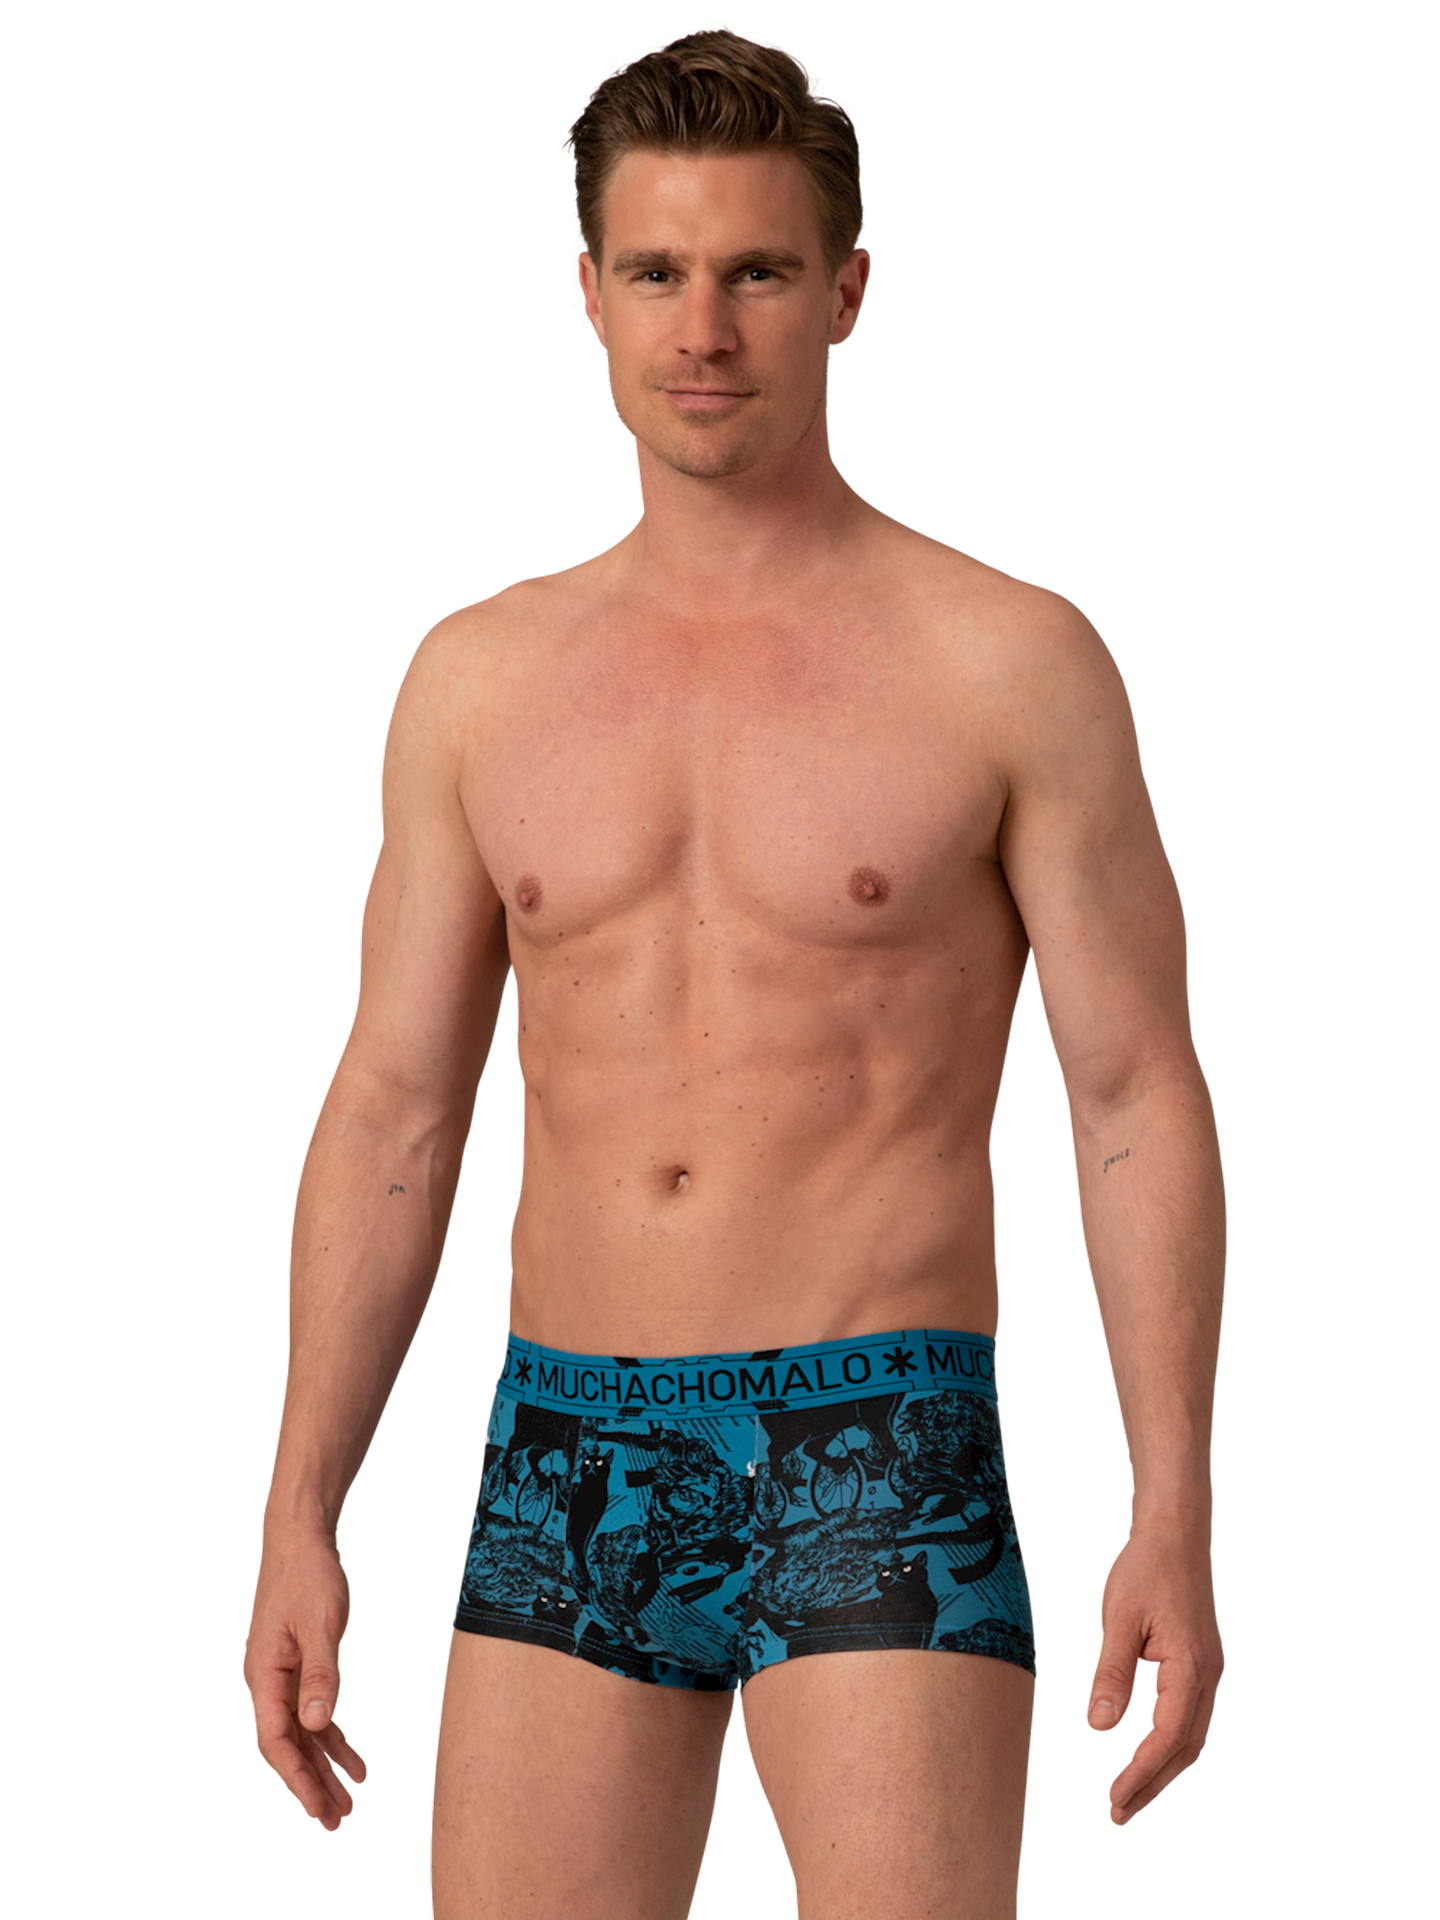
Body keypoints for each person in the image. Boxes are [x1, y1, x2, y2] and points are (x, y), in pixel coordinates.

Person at [241, 26, 1227, 1917]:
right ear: (589, 293)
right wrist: (301, 1504)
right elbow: (394, 1111)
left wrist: (1172, 1505)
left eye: (759, 271)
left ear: (847, 290)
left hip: (879, 1435)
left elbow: (1131, 1097)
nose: (704, 328)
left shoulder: (1009, 661)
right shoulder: (478, 677)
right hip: (564, 1446)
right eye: (660, 271)